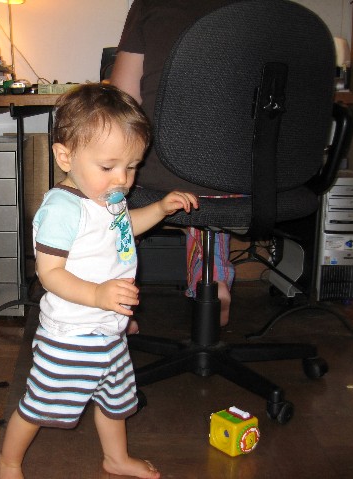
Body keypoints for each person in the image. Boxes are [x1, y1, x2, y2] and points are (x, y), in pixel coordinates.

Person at [0, 83, 198, 479]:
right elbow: (50, 273)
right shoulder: (62, 209)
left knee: (114, 400)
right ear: (65, 156)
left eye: (132, 166)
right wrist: (97, 294)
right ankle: (8, 461)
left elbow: (125, 230)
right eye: (108, 167)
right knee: (39, 404)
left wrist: (159, 209)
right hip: (71, 335)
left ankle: (115, 459)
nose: (122, 179)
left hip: (109, 328)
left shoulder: (109, 198)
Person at [109, 0, 235, 327]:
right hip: (251, 173)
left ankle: (116, 297)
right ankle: (213, 277)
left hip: (170, 167)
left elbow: (124, 99)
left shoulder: (151, 4)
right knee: (215, 179)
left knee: (110, 193)